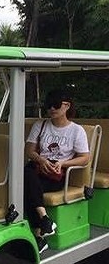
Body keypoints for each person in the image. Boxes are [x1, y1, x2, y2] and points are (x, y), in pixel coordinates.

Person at [24, 89, 89, 253]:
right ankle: (44, 220)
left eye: (56, 105)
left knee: (26, 182)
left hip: (56, 175)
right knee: (26, 176)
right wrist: (41, 160)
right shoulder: (40, 125)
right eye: (48, 105)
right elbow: (30, 151)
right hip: (39, 168)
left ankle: (41, 230)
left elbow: (85, 158)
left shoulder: (76, 130)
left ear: (66, 106)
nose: (52, 109)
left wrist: (63, 163)